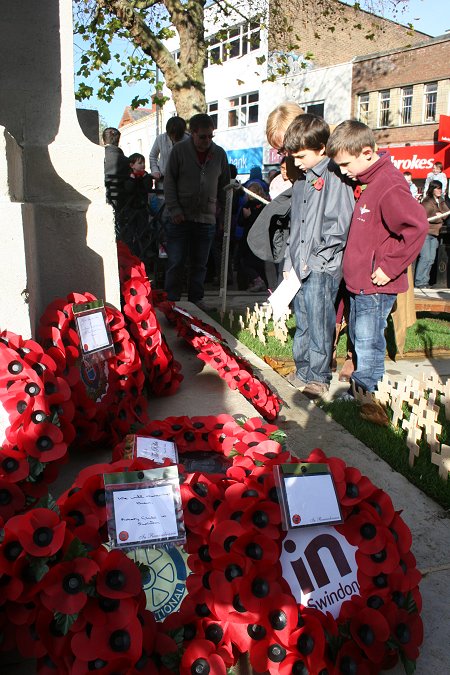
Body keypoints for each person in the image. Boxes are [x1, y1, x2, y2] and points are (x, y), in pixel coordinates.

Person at [326, 120, 428, 395]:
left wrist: (389, 267)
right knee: (360, 339)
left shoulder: (389, 184)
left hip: (376, 285)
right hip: (360, 283)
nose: (344, 172)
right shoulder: (368, 180)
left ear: (368, 153)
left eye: (346, 164)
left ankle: (366, 394)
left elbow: (417, 227)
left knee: (369, 342)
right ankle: (361, 392)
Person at [282, 113, 355, 400]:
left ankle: (318, 376)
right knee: (302, 320)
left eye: (301, 156)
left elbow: (339, 225)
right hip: (299, 266)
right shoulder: (301, 181)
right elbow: (295, 226)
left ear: (321, 149)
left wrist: (316, 261)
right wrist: (290, 264)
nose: (296, 162)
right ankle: (302, 368)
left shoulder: (335, 178)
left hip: (322, 267)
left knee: (320, 321)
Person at [163, 113, 230, 308]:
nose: (207, 141)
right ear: (192, 133)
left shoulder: (219, 154)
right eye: (203, 136)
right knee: (176, 261)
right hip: (180, 217)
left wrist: (223, 215)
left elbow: (224, 186)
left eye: (210, 136)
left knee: (200, 264)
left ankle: (196, 301)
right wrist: (174, 209)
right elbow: (169, 182)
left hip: (206, 217)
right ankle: (171, 302)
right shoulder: (179, 151)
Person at [237, 182, 268, 292]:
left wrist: (250, 216)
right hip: (247, 238)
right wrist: (245, 217)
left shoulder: (263, 205)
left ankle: (260, 282)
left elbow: (262, 221)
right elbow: (240, 222)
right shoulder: (246, 205)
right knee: (245, 262)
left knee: (253, 263)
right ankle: (258, 282)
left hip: (258, 238)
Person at [121, 153, 154, 259]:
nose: (143, 165)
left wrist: (145, 177)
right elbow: (128, 189)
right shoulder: (128, 176)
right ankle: (130, 253)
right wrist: (132, 179)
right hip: (131, 208)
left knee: (143, 230)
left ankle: (143, 253)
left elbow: (148, 187)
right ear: (132, 165)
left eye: (143, 163)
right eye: (139, 163)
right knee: (130, 232)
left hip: (142, 208)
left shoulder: (146, 176)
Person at [414, 180, 447, 288]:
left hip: (435, 234)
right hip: (426, 233)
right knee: (425, 257)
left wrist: (440, 215)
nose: (439, 190)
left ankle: (425, 281)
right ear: (432, 189)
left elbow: (446, 214)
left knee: (431, 259)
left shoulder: (441, 200)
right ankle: (419, 282)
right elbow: (424, 217)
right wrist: (438, 217)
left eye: (440, 188)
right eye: (437, 188)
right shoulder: (427, 201)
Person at [102, 127, 130, 237]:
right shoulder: (126, 161)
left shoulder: (98, 157)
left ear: (104, 140)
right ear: (118, 140)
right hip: (122, 205)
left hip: (103, 201)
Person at [149, 116, 189, 194]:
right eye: (172, 134)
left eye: (178, 136)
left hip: (182, 184)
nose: (174, 138)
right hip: (162, 182)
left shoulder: (188, 140)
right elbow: (153, 156)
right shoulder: (160, 139)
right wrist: (155, 170)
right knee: (162, 203)